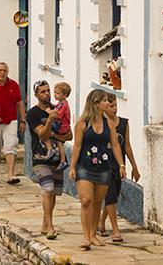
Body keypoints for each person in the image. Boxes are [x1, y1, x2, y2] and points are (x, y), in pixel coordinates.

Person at [69, 90, 125, 250]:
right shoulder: (82, 124)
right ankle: (86, 237)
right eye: (105, 101)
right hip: (84, 167)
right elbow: (77, 146)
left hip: (104, 167)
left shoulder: (109, 124)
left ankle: (93, 235)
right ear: (96, 103)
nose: (108, 104)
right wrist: (72, 167)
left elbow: (115, 145)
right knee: (86, 201)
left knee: (97, 203)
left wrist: (121, 165)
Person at [26, 80, 73, 241]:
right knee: (48, 189)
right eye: (42, 91)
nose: (46, 94)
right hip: (40, 159)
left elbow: (69, 135)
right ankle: (51, 226)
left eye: (47, 90)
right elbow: (42, 135)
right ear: (36, 95)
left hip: (57, 160)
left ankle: (46, 223)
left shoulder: (58, 108)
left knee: (53, 194)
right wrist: (49, 121)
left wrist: (55, 133)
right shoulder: (32, 114)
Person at [98, 93, 140, 243]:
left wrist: (134, 166)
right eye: (110, 106)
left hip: (118, 165)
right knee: (110, 195)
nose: (114, 109)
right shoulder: (100, 124)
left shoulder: (123, 123)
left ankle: (101, 222)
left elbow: (127, 146)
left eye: (115, 105)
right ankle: (115, 230)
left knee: (113, 196)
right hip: (104, 165)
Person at [0, 62, 26, 184]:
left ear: (7, 72)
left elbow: (19, 103)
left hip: (11, 120)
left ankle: (11, 175)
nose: (2, 73)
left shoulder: (14, 85)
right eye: (0, 70)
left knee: (11, 145)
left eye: (4, 70)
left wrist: (23, 121)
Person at [48, 82, 72, 170]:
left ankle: (50, 148)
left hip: (61, 126)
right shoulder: (61, 103)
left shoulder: (63, 105)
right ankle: (62, 161)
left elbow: (57, 116)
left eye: (57, 93)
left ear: (65, 95)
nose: (55, 95)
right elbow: (56, 108)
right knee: (60, 143)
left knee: (45, 126)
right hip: (63, 126)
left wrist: (49, 111)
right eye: (54, 93)